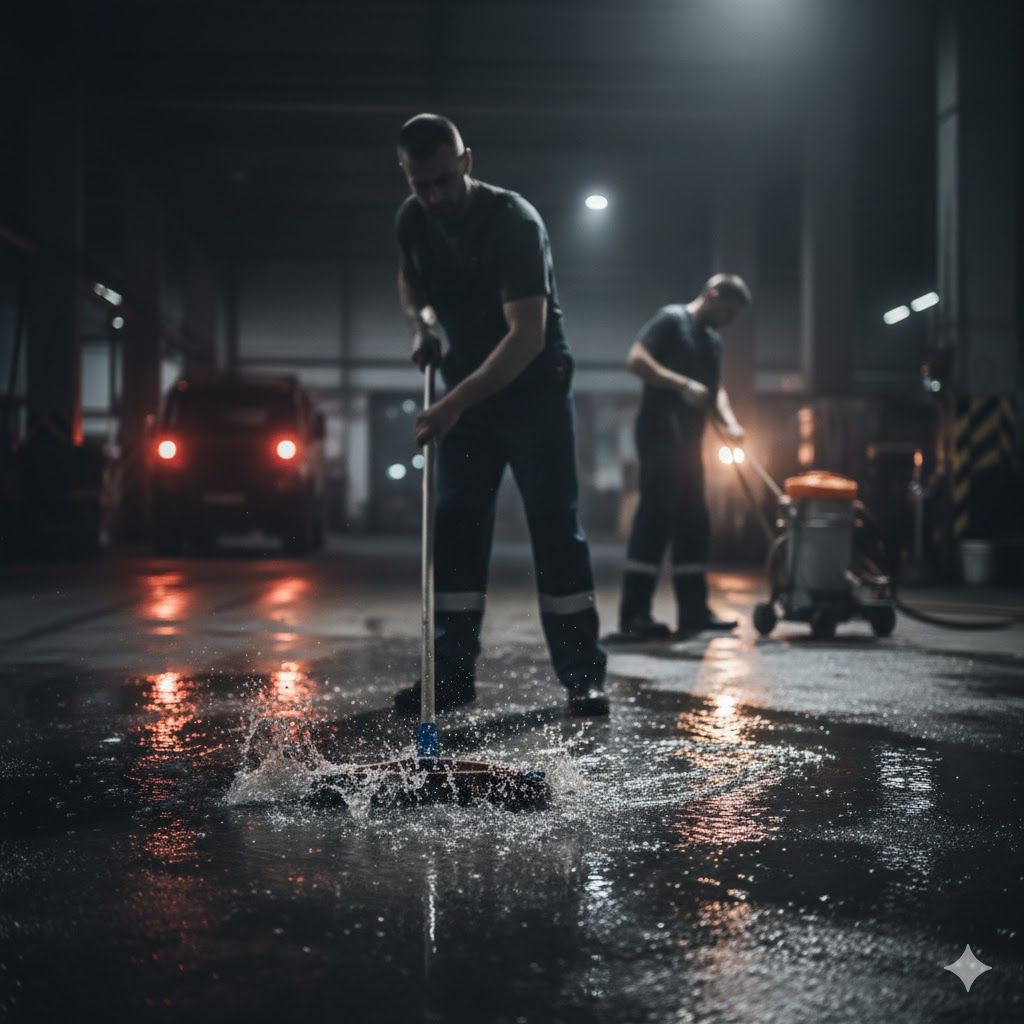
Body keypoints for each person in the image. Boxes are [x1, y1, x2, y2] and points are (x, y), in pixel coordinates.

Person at [392, 113, 608, 716]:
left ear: (466, 162)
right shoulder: (412, 219)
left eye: (443, 180)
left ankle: (582, 675)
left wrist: (452, 404)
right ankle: (450, 676)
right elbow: (410, 283)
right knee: (456, 524)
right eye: (420, 184)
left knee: (554, 524)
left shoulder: (514, 222)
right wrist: (420, 325)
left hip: (533, 391)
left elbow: (526, 336)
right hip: (467, 391)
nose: (435, 196)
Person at [617, 274, 751, 640]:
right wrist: (681, 383)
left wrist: (731, 423)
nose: (728, 322)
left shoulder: (711, 340)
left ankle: (694, 612)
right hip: (659, 436)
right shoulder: (670, 320)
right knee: (655, 516)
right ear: (712, 295)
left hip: (690, 443)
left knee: (695, 519)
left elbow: (716, 390)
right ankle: (635, 615)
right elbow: (636, 360)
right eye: (727, 312)